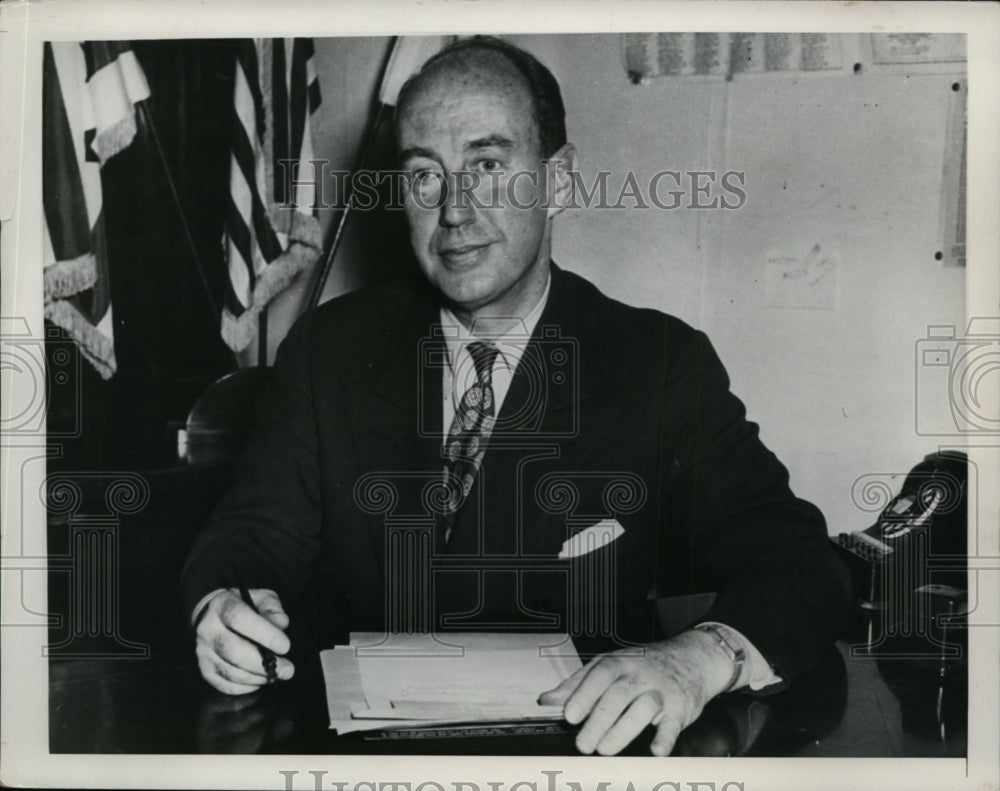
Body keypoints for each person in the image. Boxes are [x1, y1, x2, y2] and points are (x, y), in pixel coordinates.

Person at [181, 35, 850, 757]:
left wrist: (695, 658)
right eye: (424, 176)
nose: (455, 211)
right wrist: (223, 607)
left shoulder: (657, 364)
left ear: (558, 180)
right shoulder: (328, 350)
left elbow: (798, 561)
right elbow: (251, 535)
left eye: (488, 166)